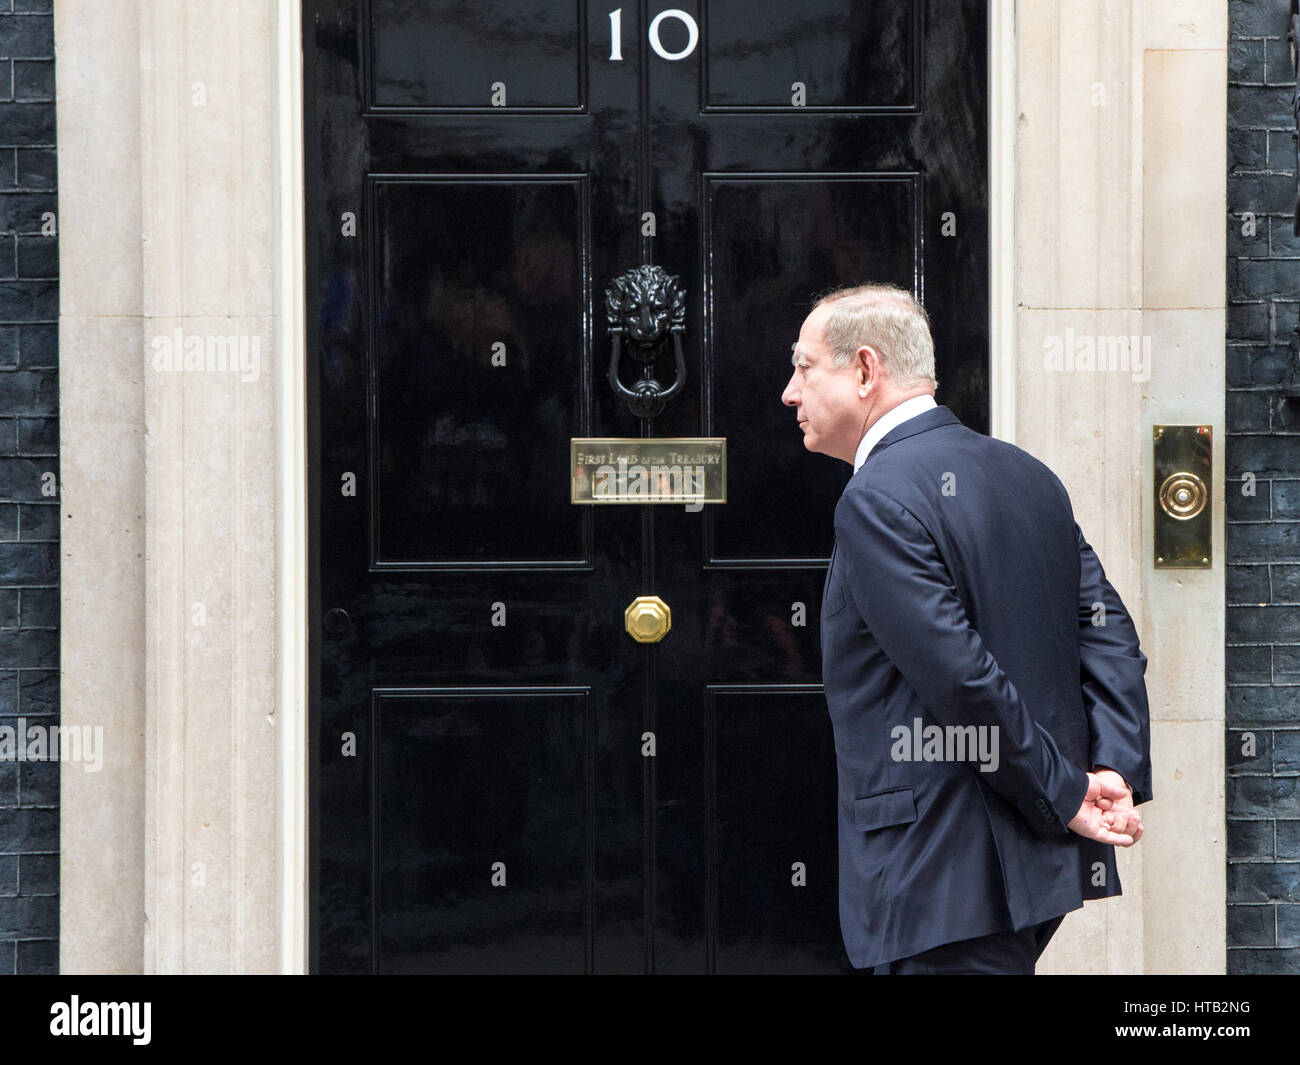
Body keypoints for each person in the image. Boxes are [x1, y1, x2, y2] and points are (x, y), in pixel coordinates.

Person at [782, 282, 1153, 975]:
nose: (789, 393)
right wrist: (1112, 765)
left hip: (937, 878)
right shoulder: (1027, 475)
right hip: (1026, 875)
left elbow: (960, 677)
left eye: (804, 367)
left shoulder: (876, 498)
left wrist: (1071, 791)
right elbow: (1108, 634)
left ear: (865, 370)